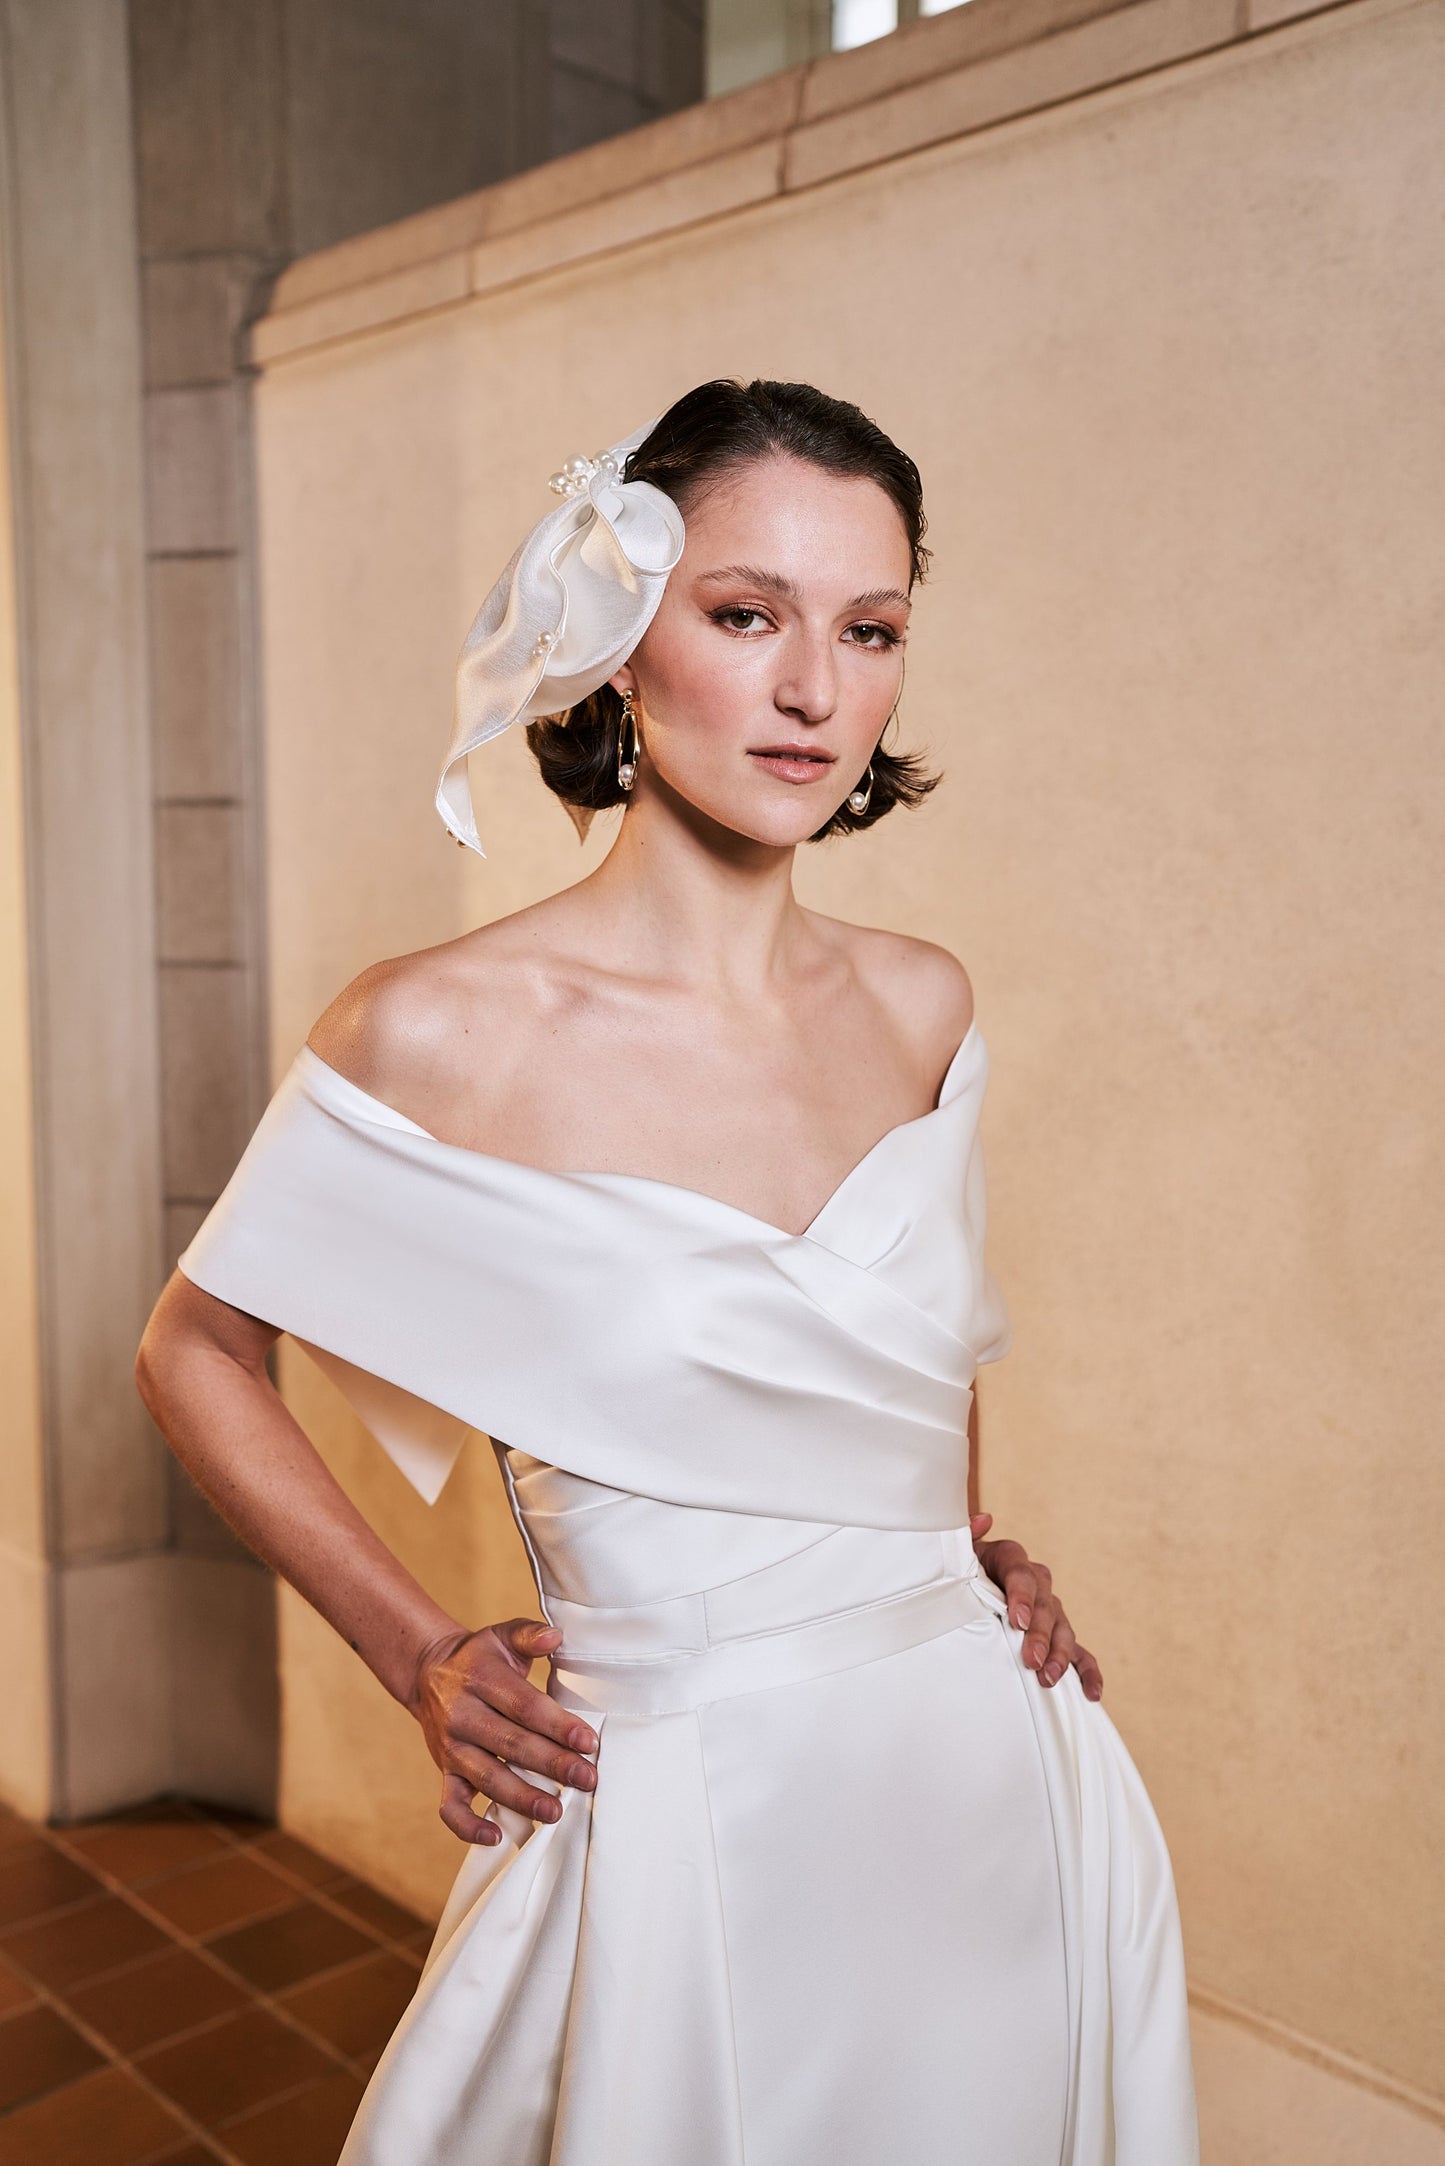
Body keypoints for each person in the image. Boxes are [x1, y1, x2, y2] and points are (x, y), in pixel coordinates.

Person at [135, 379, 1199, 2165]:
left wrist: (965, 1552)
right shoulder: (445, 1027)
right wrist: (418, 1654)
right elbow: (195, 1350)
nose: (812, 689)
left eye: (868, 630)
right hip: (682, 1807)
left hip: (990, 1792)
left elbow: (917, 1354)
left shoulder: (923, 1000)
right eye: (743, 614)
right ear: (621, 639)